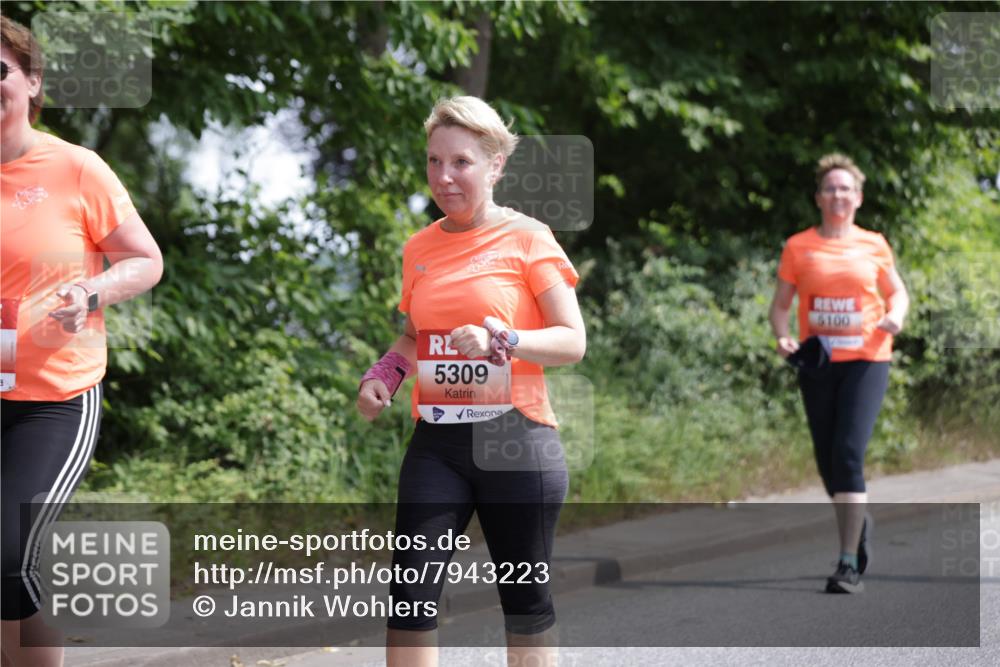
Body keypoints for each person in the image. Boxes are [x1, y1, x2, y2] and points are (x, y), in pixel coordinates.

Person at [357, 96, 585, 667]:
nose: (444, 176)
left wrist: (502, 338)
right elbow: (413, 337)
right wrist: (383, 375)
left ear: (495, 165)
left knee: (525, 602)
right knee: (409, 600)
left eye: (461, 162)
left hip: (516, 441)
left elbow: (572, 340)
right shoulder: (419, 248)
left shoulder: (529, 237)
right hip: (438, 445)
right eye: (434, 161)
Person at [1, 16, 163, 665]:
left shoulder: (75, 169)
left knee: (7, 554)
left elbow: (145, 259)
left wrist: (90, 293)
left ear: (32, 82)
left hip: (53, 399)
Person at [768, 153, 909, 594]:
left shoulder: (874, 244)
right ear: (818, 198)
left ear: (858, 197)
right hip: (818, 362)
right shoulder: (799, 246)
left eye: (846, 188)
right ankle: (857, 522)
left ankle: (848, 562)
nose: (838, 195)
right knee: (828, 463)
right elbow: (780, 306)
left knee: (848, 454)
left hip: (868, 359)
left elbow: (897, 293)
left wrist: (896, 316)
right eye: (830, 188)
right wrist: (782, 337)